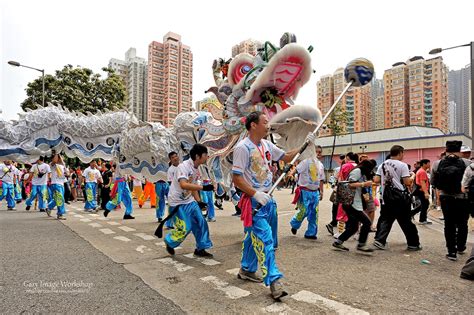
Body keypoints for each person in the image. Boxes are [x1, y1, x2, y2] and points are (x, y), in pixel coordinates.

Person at [232, 111, 313, 300]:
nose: (268, 125)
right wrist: (255, 193)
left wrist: (305, 144)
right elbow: (236, 178)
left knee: (255, 237)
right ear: (253, 125)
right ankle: (275, 281)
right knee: (266, 239)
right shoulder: (243, 148)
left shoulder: (267, 144)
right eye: (265, 122)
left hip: (268, 200)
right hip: (254, 202)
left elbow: (286, 157)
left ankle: (246, 269)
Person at [164, 144, 214, 258]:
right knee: (185, 228)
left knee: (201, 222)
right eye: (206, 155)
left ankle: (201, 248)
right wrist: (204, 188)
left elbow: (192, 186)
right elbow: (184, 184)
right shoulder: (184, 166)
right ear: (198, 156)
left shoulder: (196, 169)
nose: (207, 157)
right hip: (177, 203)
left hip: (189, 201)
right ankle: (170, 242)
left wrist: (199, 201)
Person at [372, 145, 422, 251]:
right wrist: (412, 176)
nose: (403, 155)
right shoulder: (402, 165)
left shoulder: (383, 164)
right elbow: (407, 182)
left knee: (386, 218)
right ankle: (413, 244)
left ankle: (380, 240)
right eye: (403, 153)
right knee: (406, 220)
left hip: (386, 197)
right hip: (400, 197)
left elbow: (376, 180)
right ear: (400, 153)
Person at [432, 140, 471, 261]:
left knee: (449, 224)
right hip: (463, 198)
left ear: (446, 150)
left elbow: (433, 182)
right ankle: (461, 246)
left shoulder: (437, 164)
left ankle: (451, 251)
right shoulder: (467, 163)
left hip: (446, 198)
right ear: (460, 150)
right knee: (463, 223)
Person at [332, 160, 376, 252]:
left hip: (353, 203)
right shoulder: (357, 171)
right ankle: (361, 244)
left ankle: (338, 242)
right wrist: (364, 184)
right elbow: (350, 184)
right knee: (367, 222)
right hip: (352, 203)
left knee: (353, 227)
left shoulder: (360, 172)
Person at [289, 148, 325, 240]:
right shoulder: (306, 162)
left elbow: (321, 179)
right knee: (304, 211)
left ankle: (311, 233)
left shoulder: (320, 165)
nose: (318, 153)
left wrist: (321, 191)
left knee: (314, 213)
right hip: (304, 191)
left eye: (320, 152)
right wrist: (290, 174)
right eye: (316, 151)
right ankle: (294, 224)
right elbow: (296, 169)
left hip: (315, 192)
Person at [47, 154, 68, 219]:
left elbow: (67, 174)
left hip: (61, 184)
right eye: (60, 157)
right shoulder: (52, 164)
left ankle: (49, 207)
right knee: (60, 199)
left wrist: (64, 165)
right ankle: (60, 214)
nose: (61, 158)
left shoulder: (62, 165)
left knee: (57, 199)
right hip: (55, 184)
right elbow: (55, 161)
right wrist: (57, 152)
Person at [414, 159, 432, 225]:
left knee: (424, 204)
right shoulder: (422, 172)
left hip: (421, 190)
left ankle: (412, 213)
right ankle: (422, 219)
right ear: (424, 164)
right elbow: (422, 183)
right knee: (425, 205)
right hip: (422, 190)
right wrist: (426, 193)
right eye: (428, 163)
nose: (429, 165)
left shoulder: (421, 171)